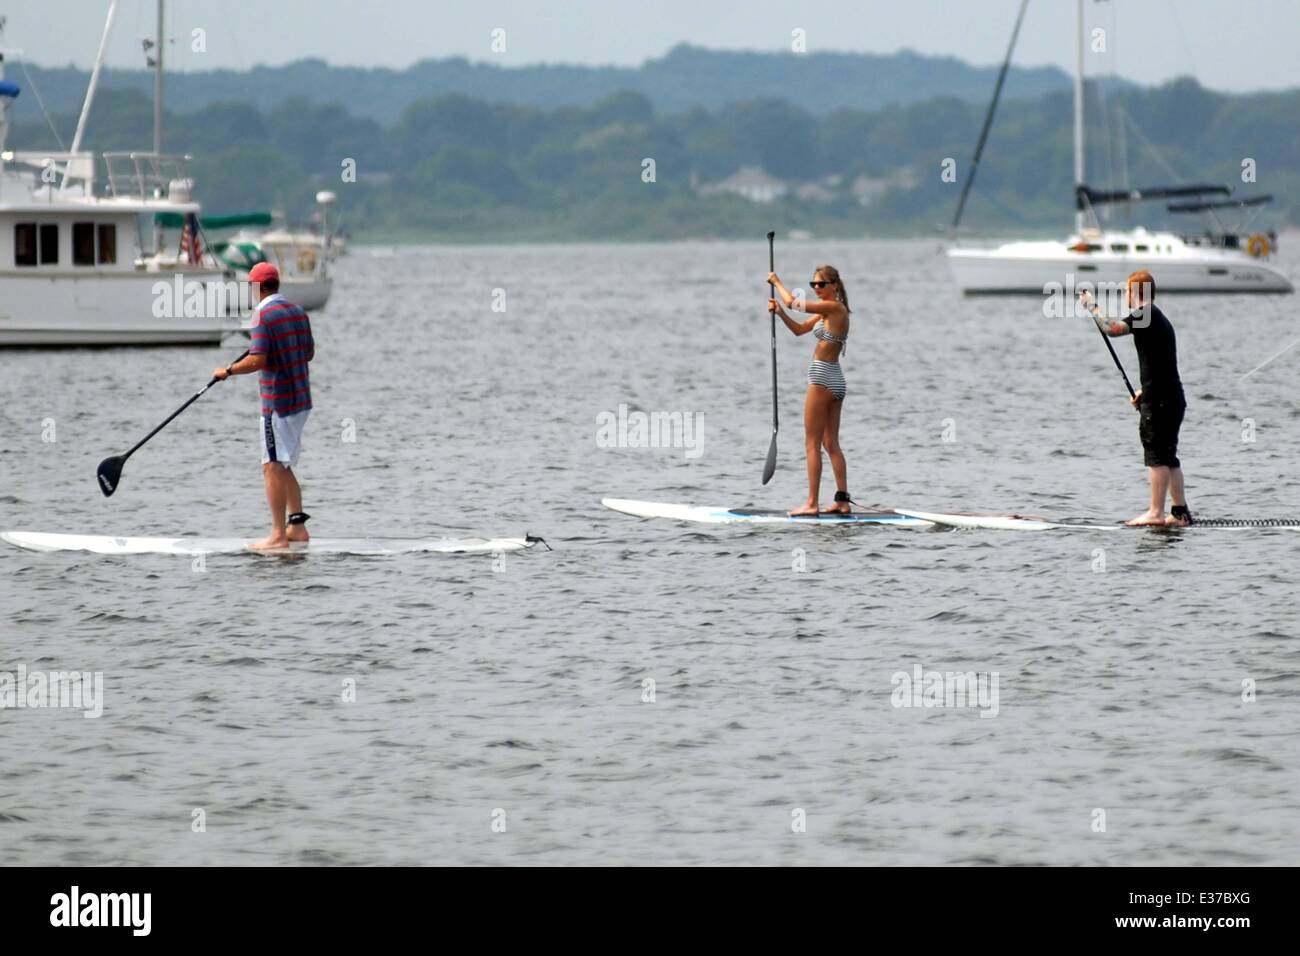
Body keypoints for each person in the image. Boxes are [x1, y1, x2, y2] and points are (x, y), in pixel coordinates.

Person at [214, 262, 316, 549]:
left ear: (257, 288)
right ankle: (296, 526)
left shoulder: (261, 316)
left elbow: (258, 359)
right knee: (282, 463)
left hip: (277, 403)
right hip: (301, 401)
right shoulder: (298, 312)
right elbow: (308, 353)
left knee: (271, 465)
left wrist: (229, 371)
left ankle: (277, 536)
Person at [1080, 270, 1191, 527]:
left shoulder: (1146, 314)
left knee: (1156, 455)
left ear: (1138, 292)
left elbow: (1112, 329)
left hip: (1162, 401)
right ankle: (1179, 513)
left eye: (1127, 290)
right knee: (1168, 456)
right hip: (1171, 397)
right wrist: (1145, 391)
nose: (1125, 295)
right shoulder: (1155, 317)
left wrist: (1092, 306)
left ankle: (1155, 512)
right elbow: (1161, 363)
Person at [768, 265, 853, 516]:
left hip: (823, 377)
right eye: (813, 285)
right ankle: (842, 501)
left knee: (812, 443)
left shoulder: (833, 307)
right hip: (835, 379)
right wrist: (780, 313)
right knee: (830, 443)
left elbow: (794, 303)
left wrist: (777, 281)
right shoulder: (827, 311)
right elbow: (799, 330)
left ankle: (812, 503)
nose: (816, 289)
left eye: (821, 284)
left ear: (834, 285)